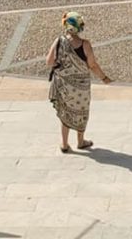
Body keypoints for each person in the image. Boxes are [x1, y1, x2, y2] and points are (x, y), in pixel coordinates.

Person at [46, 12, 113, 153]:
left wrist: (63, 69)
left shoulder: (59, 41)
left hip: (63, 85)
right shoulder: (85, 44)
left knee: (65, 113)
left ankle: (64, 144)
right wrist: (104, 78)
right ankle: (81, 141)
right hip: (81, 87)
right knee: (81, 112)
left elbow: (49, 61)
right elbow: (93, 65)